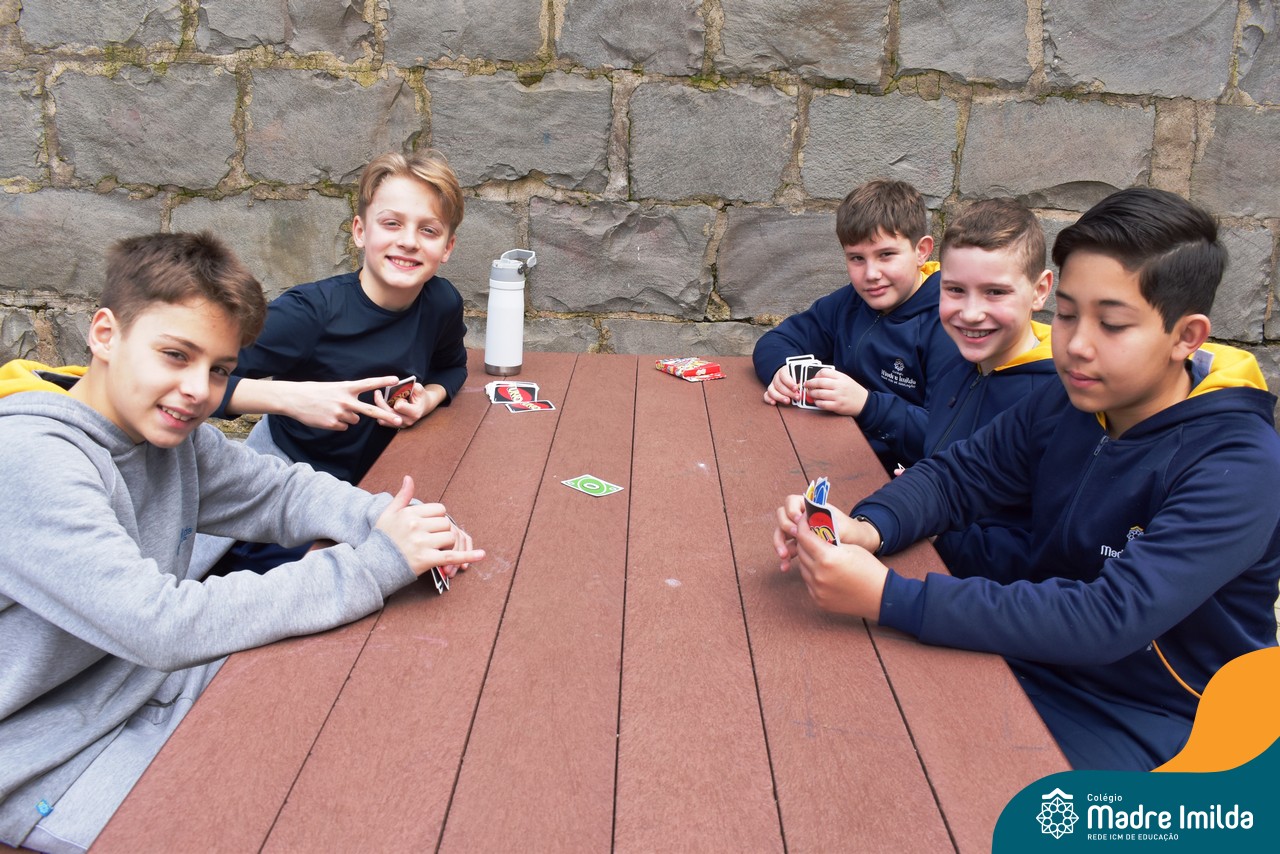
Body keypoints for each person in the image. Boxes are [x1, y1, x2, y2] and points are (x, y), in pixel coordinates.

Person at [0, 232, 484, 853]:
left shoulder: (167, 433)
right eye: (175, 355)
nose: (197, 390)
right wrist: (374, 566)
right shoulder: (33, 461)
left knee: (368, 723)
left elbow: (277, 493)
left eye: (219, 370)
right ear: (105, 335)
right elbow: (160, 624)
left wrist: (391, 518)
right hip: (45, 759)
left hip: (143, 687)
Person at [772, 188, 1280, 771]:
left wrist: (888, 597)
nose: (1076, 346)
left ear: (1186, 337)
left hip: (1164, 716)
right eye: (1067, 314)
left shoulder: (1241, 465)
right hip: (1034, 656)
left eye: (1112, 324)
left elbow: (1109, 617)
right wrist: (866, 526)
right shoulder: (1072, 400)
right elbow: (958, 477)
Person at [197, 148, 468, 575]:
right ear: (360, 231)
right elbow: (192, 380)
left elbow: (452, 367)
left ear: (447, 247)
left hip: (375, 486)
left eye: (428, 230)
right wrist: (292, 399)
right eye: (391, 223)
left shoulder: (441, 303)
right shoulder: (307, 313)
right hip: (283, 501)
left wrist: (428, 399)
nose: (409, 241)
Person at [752, 179, 963, 472]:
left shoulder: (948, 325)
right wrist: (781, 372)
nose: (871, 274)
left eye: (886, 255)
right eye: (857, 258)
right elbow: (775, 341)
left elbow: (946, 435)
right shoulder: (849, 302)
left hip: (895, 478)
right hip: (826, 450)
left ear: (922, 251)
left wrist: (866, 405)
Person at [921, 198, 1055, 568]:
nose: (970, 313)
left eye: (995, 292)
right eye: (954, 290)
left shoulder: (1058, 400)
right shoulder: (955, 364)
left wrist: (938, 527)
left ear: (1040, 290)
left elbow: (1044, 552)